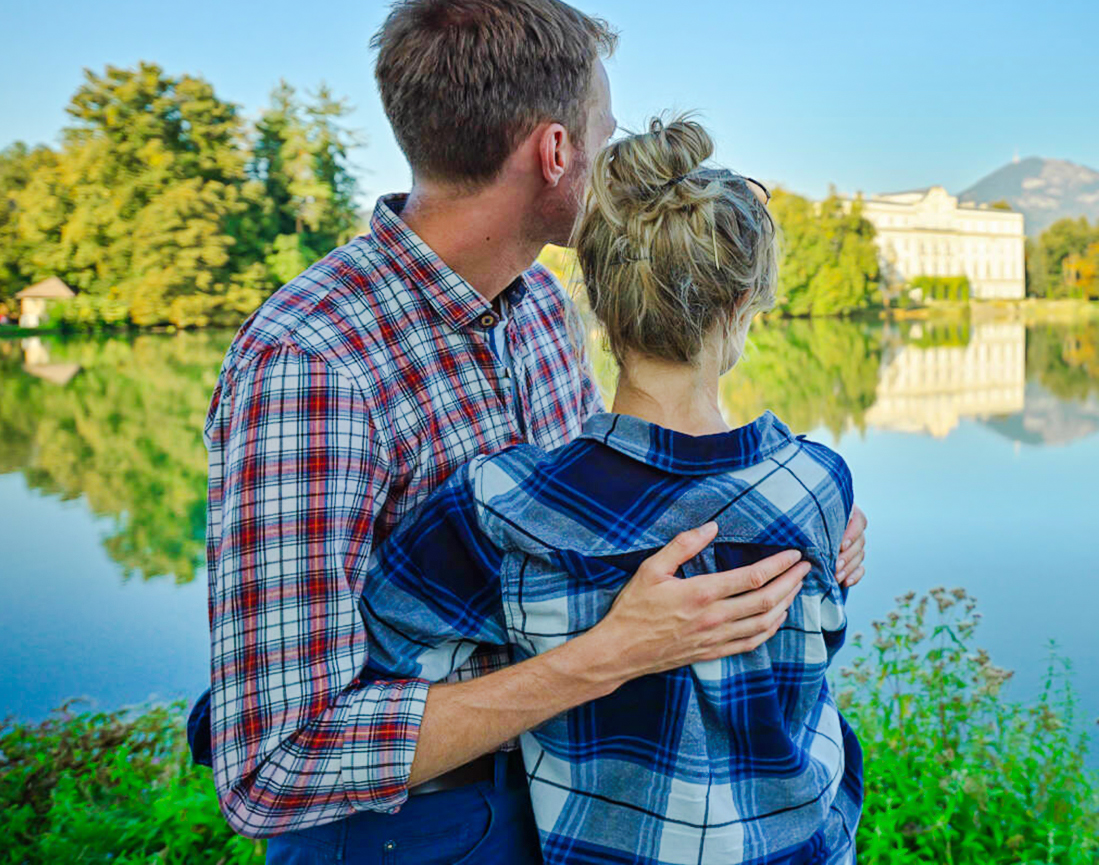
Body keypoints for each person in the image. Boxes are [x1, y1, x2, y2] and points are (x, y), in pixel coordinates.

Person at [202, 0, 868, 863]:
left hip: (569, 798)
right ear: (557, 153)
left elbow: (613, 511)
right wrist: (605, 658)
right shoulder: (312, 361)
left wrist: (786, 525)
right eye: (606, 131)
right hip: (412, 834)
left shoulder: (543, 307)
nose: (620, 156)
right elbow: (272, 766)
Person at [362, 117, 862, 865]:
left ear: (595, 297)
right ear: (746, 304)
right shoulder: (814, 483)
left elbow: (391, 651)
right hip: (799, 846)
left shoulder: (500, 501)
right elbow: (819, 645)